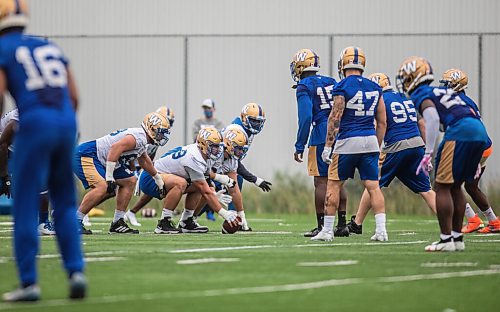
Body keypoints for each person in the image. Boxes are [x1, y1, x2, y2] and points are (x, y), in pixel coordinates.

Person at [0, 0, 86, 301]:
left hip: (34, 122)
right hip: (65, 123)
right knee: (63, 201)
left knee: (25, 204)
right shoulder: (46, 46)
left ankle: (29, 283)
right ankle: (76, 272)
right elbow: (74, 96)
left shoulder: (4, 49)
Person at [397, 57, 489, 252]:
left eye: (406, 78)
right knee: (456, 186)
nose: (404, 83)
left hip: (460, 132)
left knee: (442, 186)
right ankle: (457, 239)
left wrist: (428, 152)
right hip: (479, 133)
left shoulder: (422, 92)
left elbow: (431, 119)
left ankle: (446, 239)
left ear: (414, 77)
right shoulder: (446, 92)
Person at [313, 46, 388, 242]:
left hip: (348, 141)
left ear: (343, 64)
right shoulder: (375, 86)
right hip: (370, 140)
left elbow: (335, 116)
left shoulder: (343, 86)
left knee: (333, 184)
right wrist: (376, 145)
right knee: (373, 186)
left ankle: (328, 230)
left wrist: (328, 146)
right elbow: (382, 122)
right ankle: (381, 230)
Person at [347, 73, 436, 234]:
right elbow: (422, 124)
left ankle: (357, 223)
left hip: (395, 146)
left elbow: (380, 124)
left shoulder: (380, 100)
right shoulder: (405, 97)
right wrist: (425, 150)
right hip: (417, 144)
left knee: (372, 184)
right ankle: (449, 224)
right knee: (426, 190)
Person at [74, 112, 170, 234]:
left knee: (130, 181)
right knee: (102, 187)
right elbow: (115, 148)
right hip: (89, 154)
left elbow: (144, 160)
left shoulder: (142, 140)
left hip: (103, 159)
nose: (162, 136)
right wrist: (109, 176)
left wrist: (158, 179)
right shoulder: (139, 137)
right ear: (151, 128)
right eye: (160, 132)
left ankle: (117, 222)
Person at [290, 48, 349, 238]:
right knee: (337, 180)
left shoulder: (304, 86)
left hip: (321, 132)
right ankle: (342, 224)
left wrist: (299, 145)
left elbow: (306, 117)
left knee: (321, 182)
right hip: (339, 131)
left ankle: (322, 225)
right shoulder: (332, 81)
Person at [138, 127, 238, 233]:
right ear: (203, 144)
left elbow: (206, 178)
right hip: (150, 177)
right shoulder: (194, 157)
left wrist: (219, 181)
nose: (217, 150)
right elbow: (205, 191)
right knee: (182, 183)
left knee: (203, 186)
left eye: (218, 146)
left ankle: (187, 221)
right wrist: (224, 213)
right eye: (214, 146)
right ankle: (164, 222)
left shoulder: (203, 154)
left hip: (163, 176)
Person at [439, 68, 499, 233]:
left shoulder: (458, 102)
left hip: (475, 146)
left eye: (447, 83)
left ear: (457, 85)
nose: (444, 86)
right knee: (471, 186)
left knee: (451, 184)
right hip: (482, 146)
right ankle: (493, 221)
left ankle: (473, 220)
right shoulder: (465, 100)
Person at [0, 109, 55, 235]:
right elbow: (2, 144)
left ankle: (43, 222)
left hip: (20, 151)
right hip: (4, 150)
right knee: (3, 185)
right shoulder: (19, 118)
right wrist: (5, 176)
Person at [124, 105, 176, 227]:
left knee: (152, 188)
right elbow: (135, 153)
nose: (168, 124)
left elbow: (149, 158)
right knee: (110, 188)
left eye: (171, 122)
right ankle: (84, 213)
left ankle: (131, 213)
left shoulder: (157, 137)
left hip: (139, 164)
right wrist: (134, 170)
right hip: (126, 162)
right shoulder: (146, 134)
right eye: (167, 120)